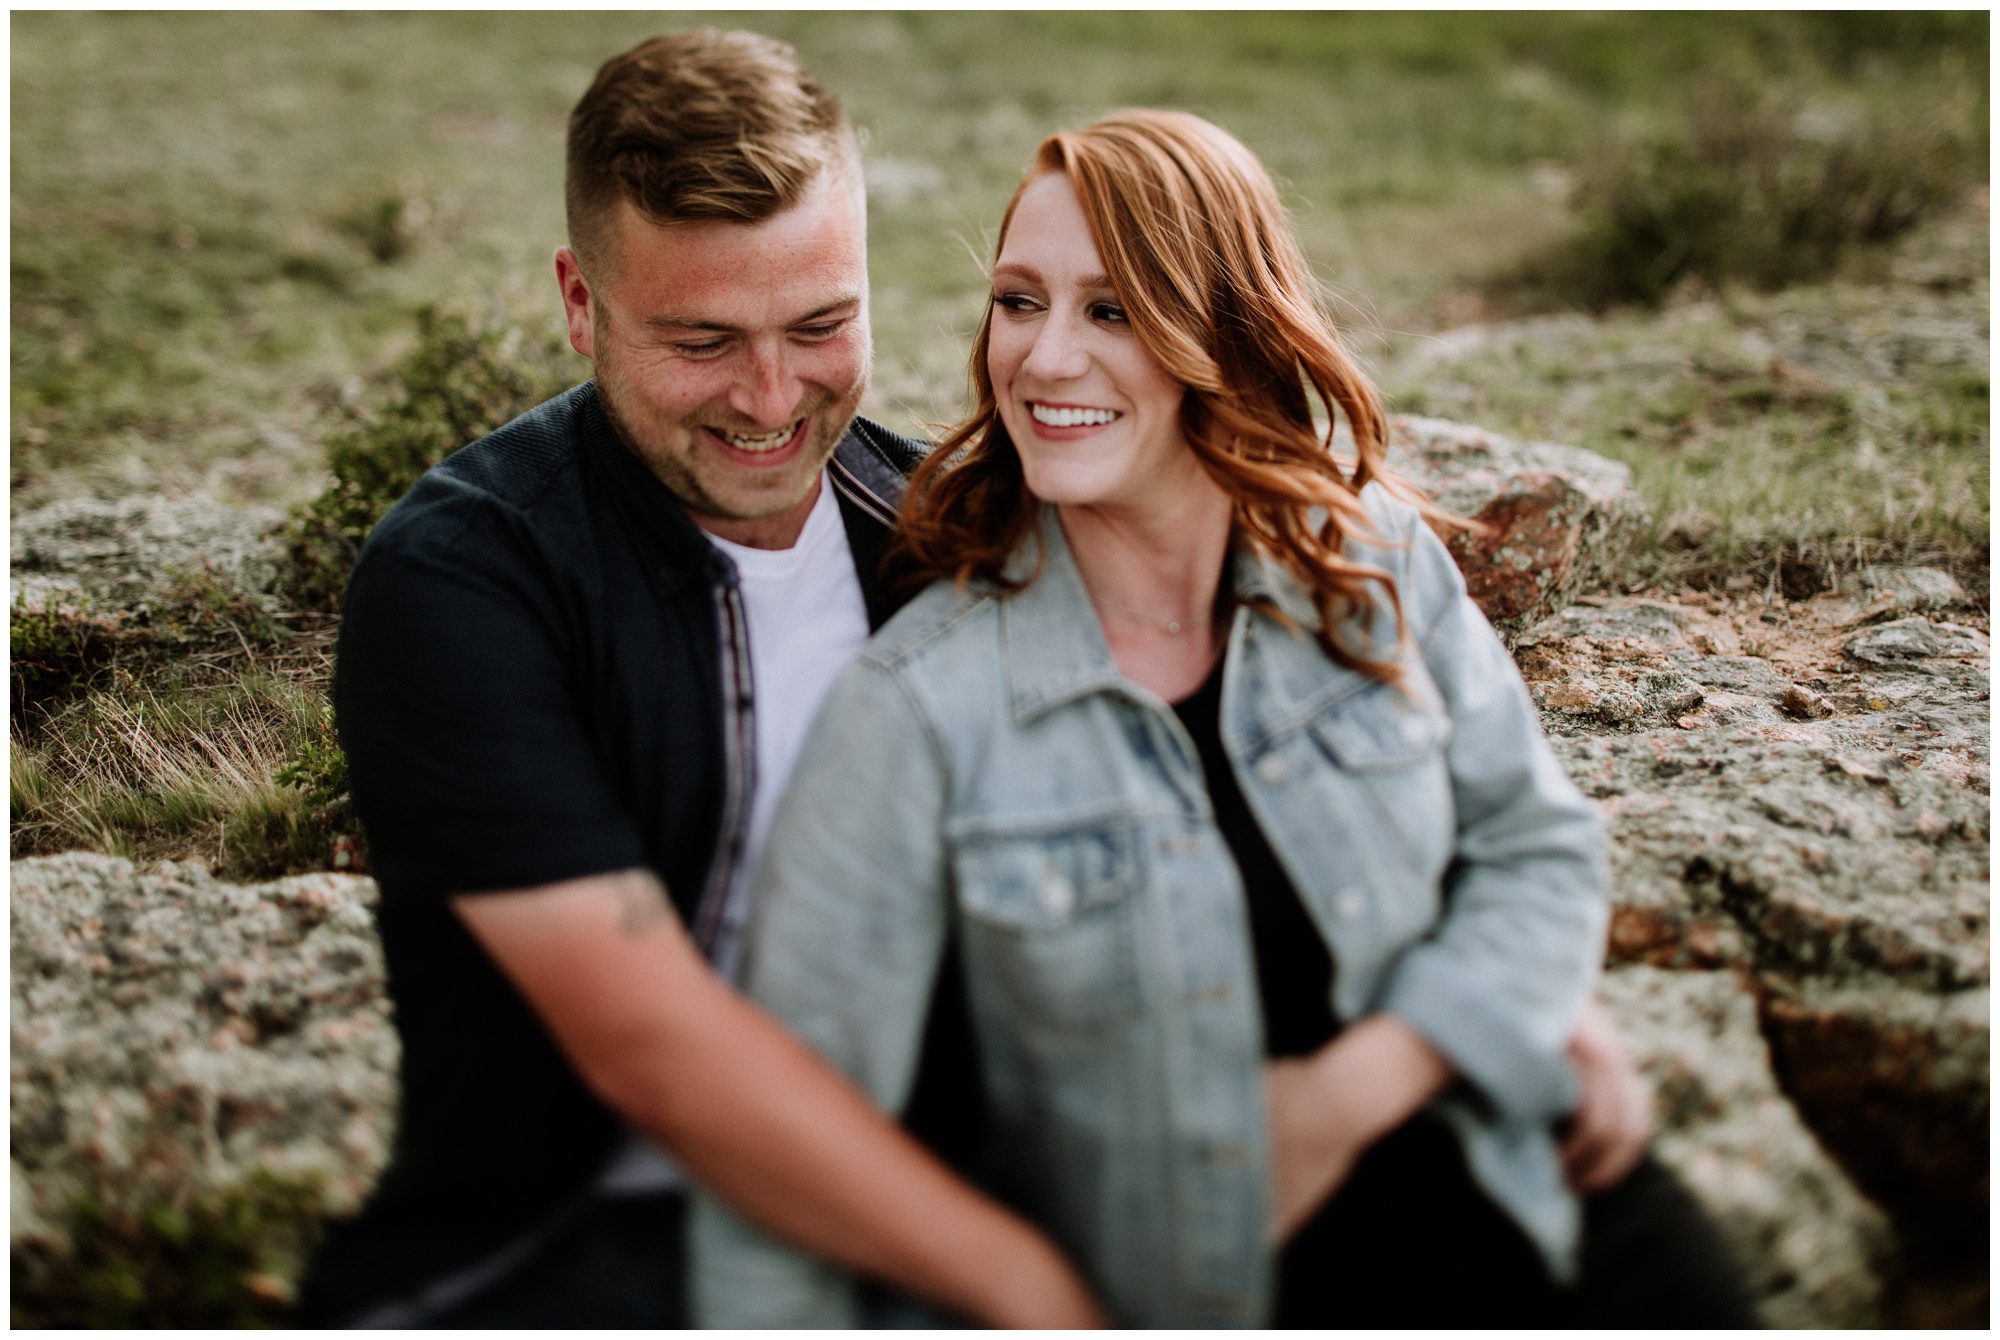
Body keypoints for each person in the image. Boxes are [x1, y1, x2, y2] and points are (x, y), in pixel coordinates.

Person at [692, 109, 1756, 1328]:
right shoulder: (918, 709)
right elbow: (795, 1142)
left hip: (1539, 1208)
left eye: (1111, 310)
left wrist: (1353, 1090)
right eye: (1019, 301)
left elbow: (1536, 849)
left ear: (1226, 332)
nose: (1042, 357)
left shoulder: (1366, 559)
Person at [294, 29, 1106, 1328]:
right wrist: (1027, 1287)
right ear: (579, 303)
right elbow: (650, 1051)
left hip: (930, 1195)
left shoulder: (946, 528)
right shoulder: (464, 578)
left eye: (821, 324)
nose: (771, 398)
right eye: (701, 341)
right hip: (575, 1254)